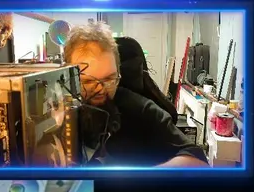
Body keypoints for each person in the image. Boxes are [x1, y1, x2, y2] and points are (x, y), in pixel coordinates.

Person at [62, 22, 207, 167]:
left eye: (109, 79)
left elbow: (199, 161)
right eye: (88, 81)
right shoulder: (58, 112)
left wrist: (142, 177)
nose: (101, 89)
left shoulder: (138, 109)